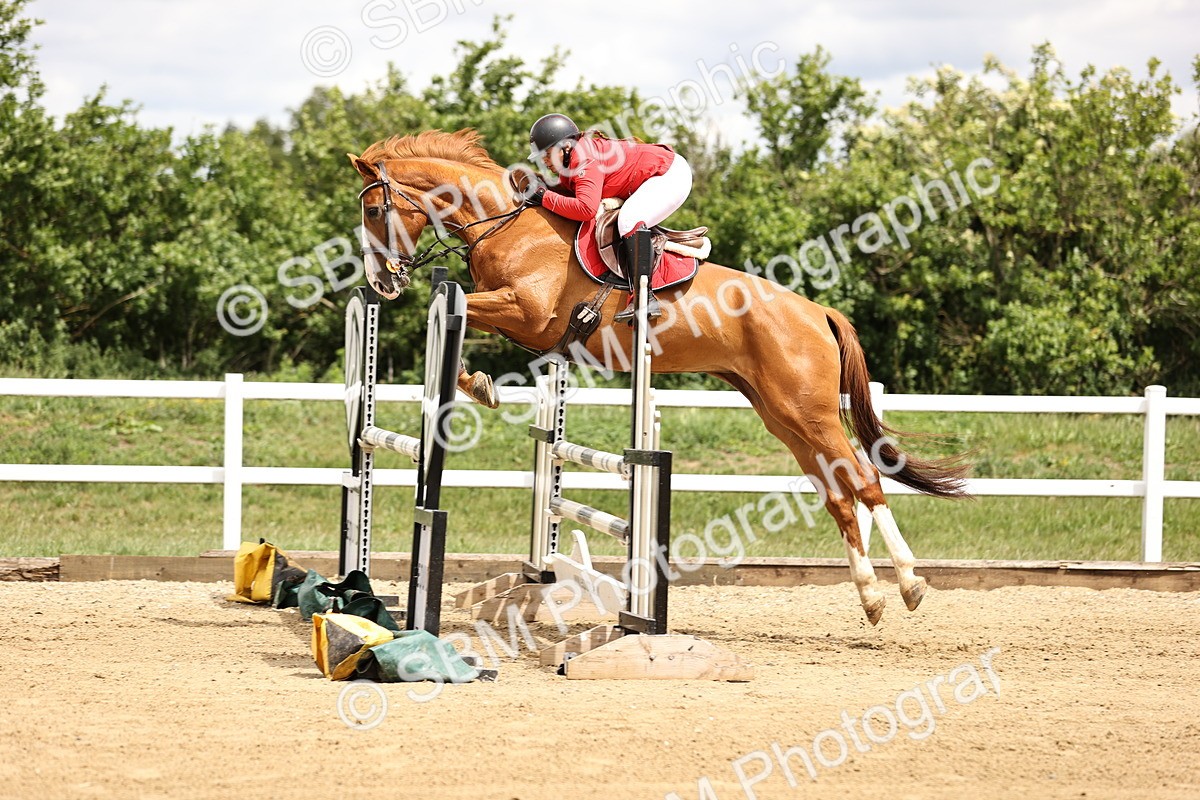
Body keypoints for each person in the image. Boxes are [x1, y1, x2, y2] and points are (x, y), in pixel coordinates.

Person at [524, 113, 693, 321]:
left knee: (629, 220)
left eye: (547, 154)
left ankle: (644, 298)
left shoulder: (584, 159)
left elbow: (586, 209)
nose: (544, 161)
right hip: (657, 173)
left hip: (669, 176)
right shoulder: (571, 161)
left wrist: (544, 197)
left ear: (566, 147)